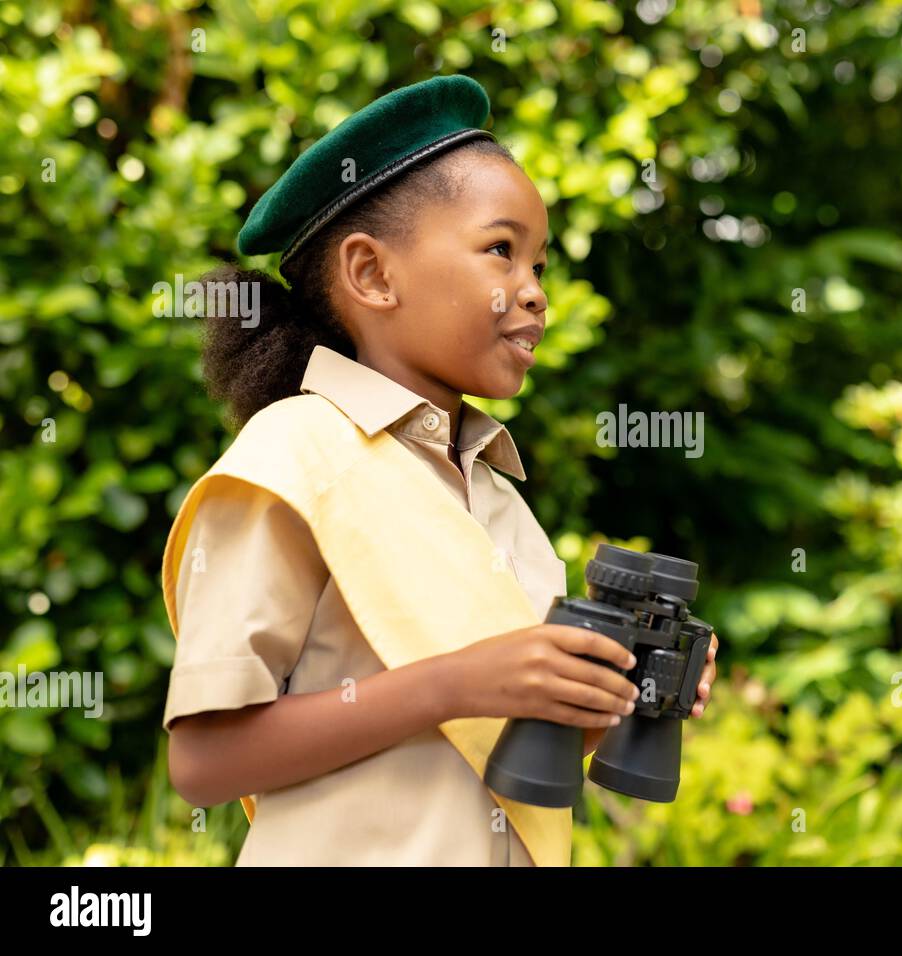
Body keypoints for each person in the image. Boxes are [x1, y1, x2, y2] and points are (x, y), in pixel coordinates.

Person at [158, 74, 718, 866]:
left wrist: (621, 695)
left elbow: (492, 744)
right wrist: (454, 682)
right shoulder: (292, 457)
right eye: (501, 251)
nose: (534, 293)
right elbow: (204, 762)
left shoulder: (490, 489)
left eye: (540, 264)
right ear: (373, 274)